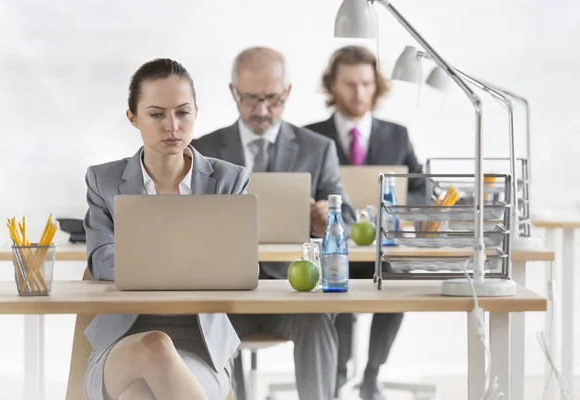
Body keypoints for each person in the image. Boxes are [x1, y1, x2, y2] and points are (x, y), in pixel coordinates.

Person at [192, 46, 356, 400]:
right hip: (227, 293)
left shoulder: (318, 148)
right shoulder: (202, 150)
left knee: (318, 320)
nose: (262, 111)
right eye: (251, 99)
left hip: (290, 288)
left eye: (273, 99)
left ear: (288, 93)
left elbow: (348, 218)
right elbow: (186, 226)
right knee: (207, 323)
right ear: (233, 92)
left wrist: (325, 217)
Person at [83, 58, 249, 400]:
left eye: (182, 112)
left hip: (201, 347)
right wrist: (186, 267)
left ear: (196, 113)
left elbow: (236, 264)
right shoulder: (105, 181)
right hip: (123, 344)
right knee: (155, 346)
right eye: (156, 114)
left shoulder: (229, 181)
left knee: (139, 397)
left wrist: (150, 266)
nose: (172, 126)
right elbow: (102, 260)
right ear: (133, 118)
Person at [305, 45, 427, 400]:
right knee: (335, 279)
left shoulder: (397, 135)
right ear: (332, 86)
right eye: (350, 84)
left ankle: (372, 371)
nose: (359, 93)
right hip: (331, 248)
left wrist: (402, 210)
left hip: (381, 249)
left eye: (366, 84)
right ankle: (339, 370)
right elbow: (297, 190)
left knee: (401, 278)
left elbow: (419, 187)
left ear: (377, 86)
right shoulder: (310, 136)